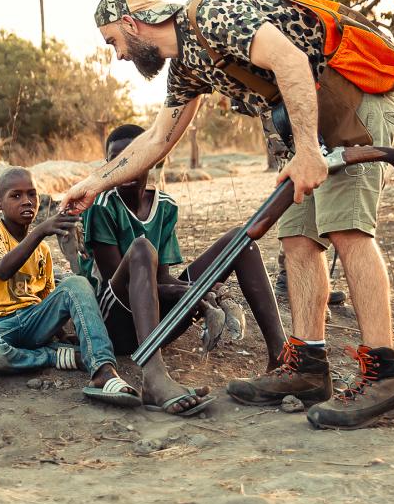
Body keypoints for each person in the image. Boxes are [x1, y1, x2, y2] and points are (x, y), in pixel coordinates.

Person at [60, 0, 394, 430]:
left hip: (349, 111)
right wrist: (93, 183)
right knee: (298, 239)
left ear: (131, 23)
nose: (119, 55)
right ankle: (306, 365)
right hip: (305, 130)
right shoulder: (186, 64)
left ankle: (385, 376)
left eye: (113, 42)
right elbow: (157, 138)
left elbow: (290, 60)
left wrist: (305, 150)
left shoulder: (213, 14)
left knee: (348, 230)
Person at [76, 124, 286, 416]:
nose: (121, 166)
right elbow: (118, 284)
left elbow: (161, 280)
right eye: (114, 160)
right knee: (141, 249)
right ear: (105, 165)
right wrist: (197, 292)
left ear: (150, 160)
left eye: (131, 157)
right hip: (116, 323)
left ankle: (283, 357)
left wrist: (198, 292)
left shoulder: (164, 205)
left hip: (155, 321)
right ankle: (155, 376)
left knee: (241, 240)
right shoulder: (101, 205)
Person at [216, 0, 347, 304]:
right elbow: (228, 4)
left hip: (324, 63)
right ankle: (293, 267)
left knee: (331, 157)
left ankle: (327, 266)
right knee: (290, 160)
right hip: (273, 72)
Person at [0, 166, 142, 407]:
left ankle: (103, 370)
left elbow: (47, 297)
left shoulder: (42, 251)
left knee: (75, 284)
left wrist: (62, 334)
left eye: (32, 194)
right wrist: (40, 231)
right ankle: (54, 356)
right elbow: (2, 270)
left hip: (33, 322)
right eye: (15, 196)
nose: (26, 201)